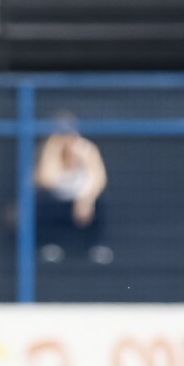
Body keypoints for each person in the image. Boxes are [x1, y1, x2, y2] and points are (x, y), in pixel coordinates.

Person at [31, 112, 111, 264]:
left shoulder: (86, 150)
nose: (66, 139)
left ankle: (96, 245)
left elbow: (99, 179)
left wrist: (85, 201)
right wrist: (52, 151)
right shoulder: (48, 151)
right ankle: (49, 243)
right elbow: (45, 181)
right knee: (42, 201)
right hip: (57, 202)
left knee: (102, 200)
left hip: (81, 202)